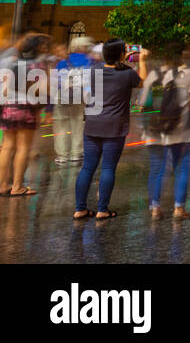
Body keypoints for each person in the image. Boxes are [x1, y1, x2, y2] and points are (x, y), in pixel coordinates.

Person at [139, 47, 190, 220]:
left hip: (155, 130)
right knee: (182, 168)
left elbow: (142, 103)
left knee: (156, 169)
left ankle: (155, 209)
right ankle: (178, 209)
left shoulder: (154, 75)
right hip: (181, 131)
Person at [73, 38, 140, 219]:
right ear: (121, 53)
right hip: (115, 126)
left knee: (87, 167)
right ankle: (102, 209)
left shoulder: (94, 70)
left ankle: (80, 208)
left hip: (93, 123)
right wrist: (143, 60)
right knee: (108, 168)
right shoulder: (128, 73)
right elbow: (141, 82)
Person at [0, 33, 51, 196]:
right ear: (37, 49)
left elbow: (6, 89)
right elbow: (43, 90)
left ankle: (2, 185)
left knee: (7, 147)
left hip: (9, 106)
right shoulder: (38, 66)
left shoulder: (14, 63)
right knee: (23, 147)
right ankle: (17, 186)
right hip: (27, 108)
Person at [53, 35, 95, 165]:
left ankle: (62, 156)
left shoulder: (63, 61)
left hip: (63, 95)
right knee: (77, 124)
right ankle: (75, 154)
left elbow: (56, 80)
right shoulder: (90, 61)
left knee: (61, 125)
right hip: (79, 95)